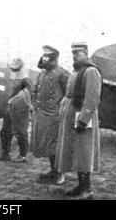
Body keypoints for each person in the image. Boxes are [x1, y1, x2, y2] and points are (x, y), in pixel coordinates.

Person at [55, 43, 102, 200]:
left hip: (81, 117)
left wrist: (83, 120)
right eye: (73, 52)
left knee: (83, 153)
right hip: (72, 116)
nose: (75, 55)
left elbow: (92, 97)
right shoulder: (78, 71)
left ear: (86, 53)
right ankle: (80, 186)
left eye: (78, 52)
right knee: (76, 152)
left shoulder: (91, 71)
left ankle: (86, 189)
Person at [30, 45, 69, 184]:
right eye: (44, 56)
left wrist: (61, 108)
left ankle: (59, 174)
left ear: (54, 58)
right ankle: (53, 171)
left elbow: (69, 94)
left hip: (54, 115)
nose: (44, 58)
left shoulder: (62, 73)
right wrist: (34, 105)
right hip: (42, 113)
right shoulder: (42, 73)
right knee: (46, 145)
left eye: (47, 56)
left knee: (54, 146)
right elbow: (36, 90)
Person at [0, 58, 33, 162]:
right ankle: (5, 153)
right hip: (10, 109)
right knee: (5, 131)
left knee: (21, 132)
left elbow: (31, 93)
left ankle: (23, 156)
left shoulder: (25, 78)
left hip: (19, 110)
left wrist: (22, 103)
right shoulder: (16, 76)